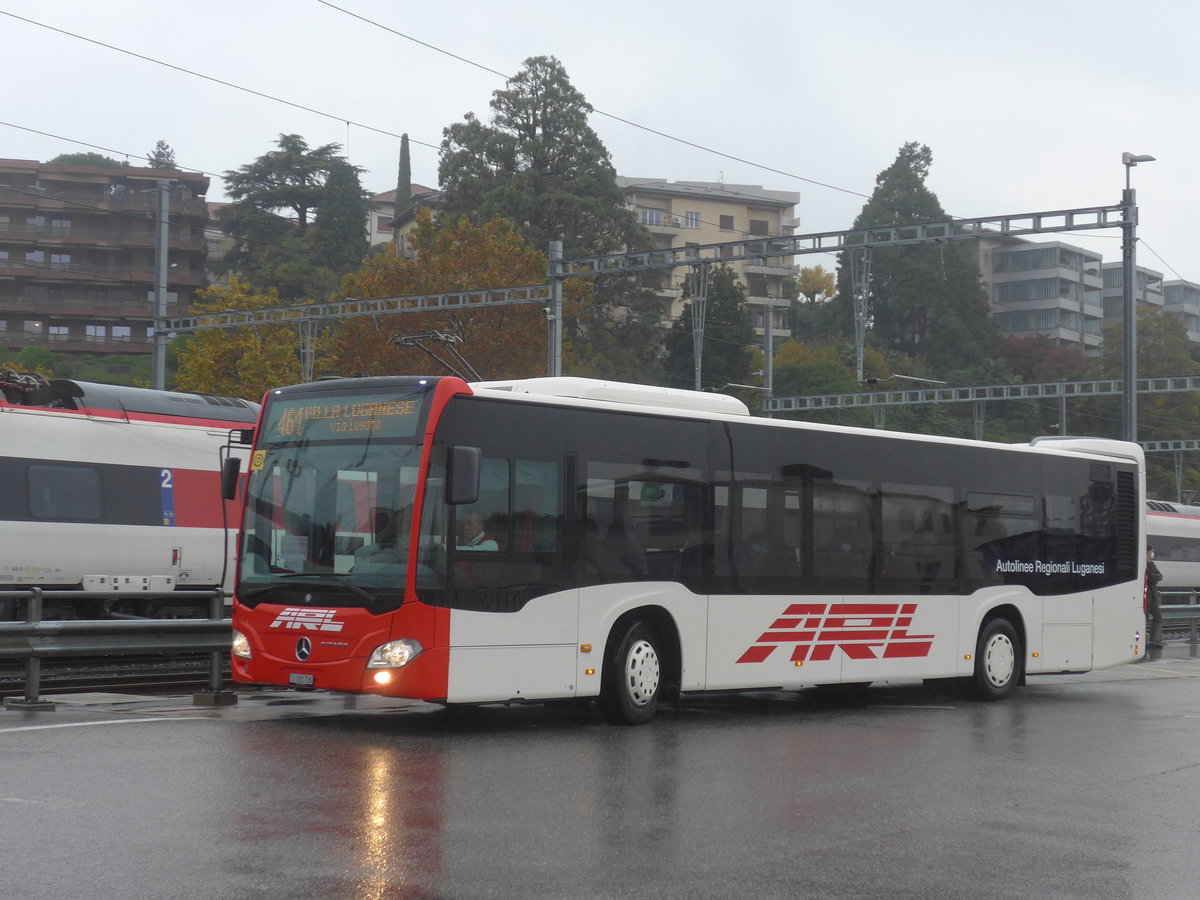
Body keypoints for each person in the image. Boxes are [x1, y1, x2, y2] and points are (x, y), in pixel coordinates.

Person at [1146, 545, 1164, 649]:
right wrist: (1154, 576)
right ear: (1147, 552)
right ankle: (1143, 641)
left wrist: (1154, 576)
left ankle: (1152, 641)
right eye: (1151, 551)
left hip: (1153, 593)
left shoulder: (1152, 564)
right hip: (1147, 593)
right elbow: (1150, 576)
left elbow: (1159, 576)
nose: (1152, 553)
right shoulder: (1143, 564)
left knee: (1157, 616)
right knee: (1145, 617)